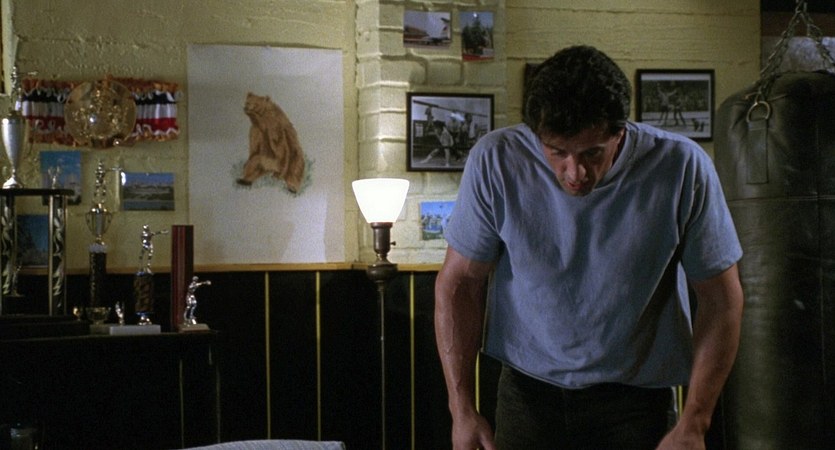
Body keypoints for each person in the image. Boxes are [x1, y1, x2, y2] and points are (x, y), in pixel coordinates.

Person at [434, 45, 744, 449]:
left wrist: (695, 422)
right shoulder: (497, 160)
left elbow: (721, 300)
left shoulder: (681, 166)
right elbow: (459, 285)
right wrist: (461, 409)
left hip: (636, 402)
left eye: (592, 153)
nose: (575, 172)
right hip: (528, 395)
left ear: (620, 132)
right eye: (557, 152)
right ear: (536, 135)